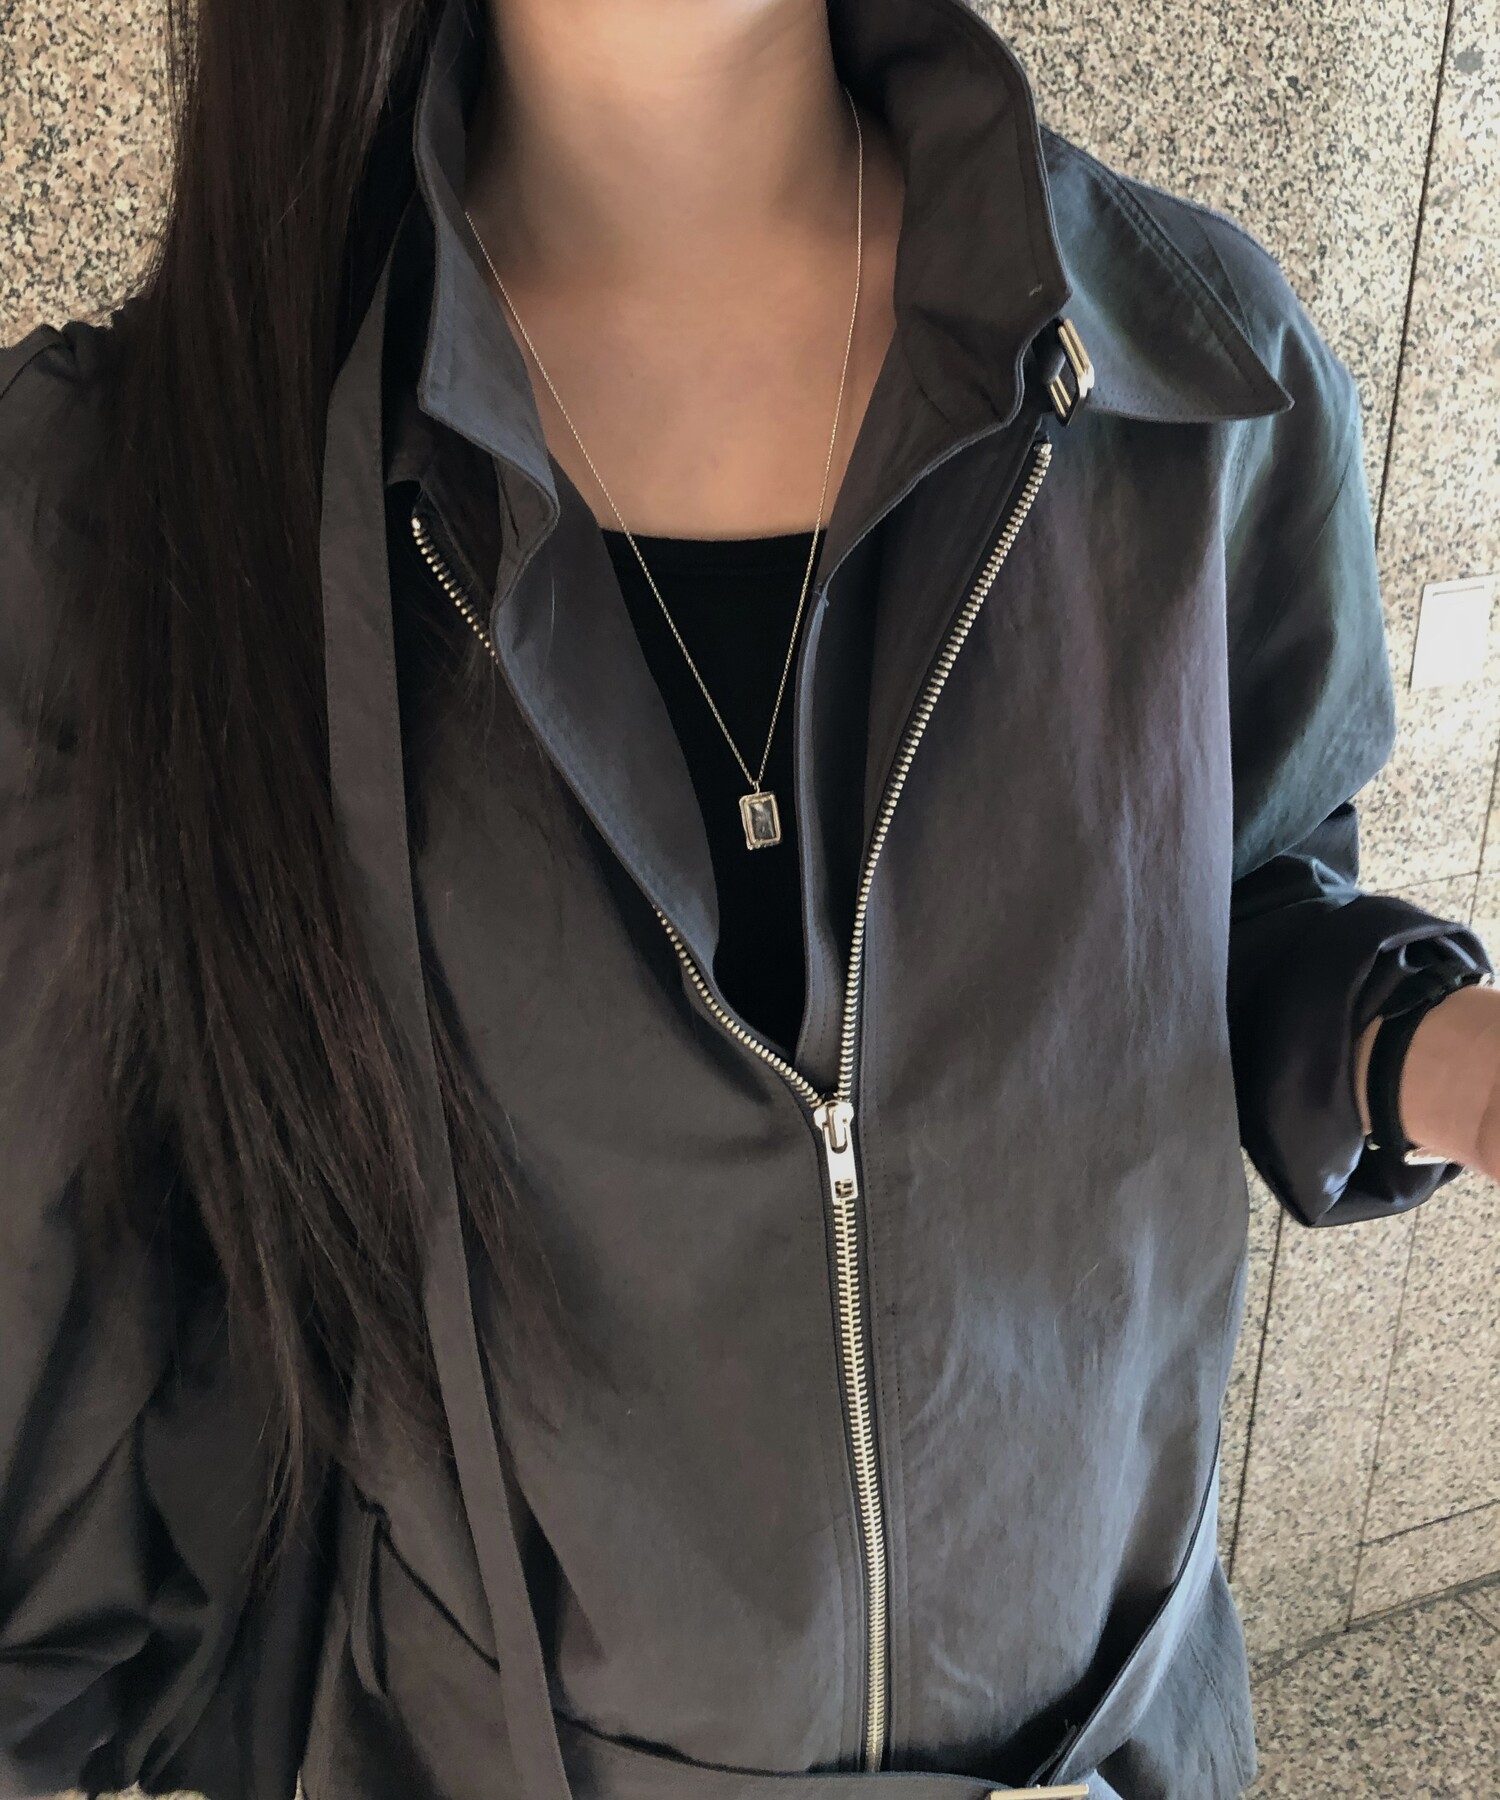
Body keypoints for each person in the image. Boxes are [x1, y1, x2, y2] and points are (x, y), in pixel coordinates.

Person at [1, 0, 1497, 1794]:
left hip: (1121, 1752)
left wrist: (1427, 1049)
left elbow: (1232, 891)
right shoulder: (146, 514)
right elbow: (67, 1332)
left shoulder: (1188, 366)